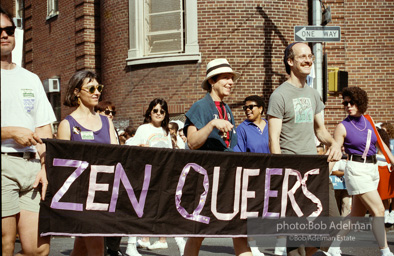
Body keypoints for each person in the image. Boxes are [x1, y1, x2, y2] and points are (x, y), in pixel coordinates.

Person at [267, 42, 342, 256]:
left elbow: (321, 131)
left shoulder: (313, 94)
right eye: (303, 56)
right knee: (297, 236)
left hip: (316, 169)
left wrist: (334, 143)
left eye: (310, 56)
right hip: (292, 170)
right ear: (290, 62)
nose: (309, 60)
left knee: (333, 222)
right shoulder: (279, 95)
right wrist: (282, 173)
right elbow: (273, 140)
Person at [183, 58, 252, 256]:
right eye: (225, 78)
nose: (231, 82)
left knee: (239, 231)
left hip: (227, 177)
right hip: (206, 179)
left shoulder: (227, 109)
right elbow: (192, 142)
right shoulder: (200, 107)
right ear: (212, 81)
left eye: (232, 78)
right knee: (198, 233)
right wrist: (212, 125)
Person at [1, 6, 56, 256]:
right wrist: (10, 132)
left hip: (33, 168)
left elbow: (44, 128)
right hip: (3, 165)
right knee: (5, 244)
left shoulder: (31, 78)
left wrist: (45, 166)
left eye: (9, 30)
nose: (4, 35)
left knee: (38, 249)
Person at [57, 70, 118, 256]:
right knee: (97, 248)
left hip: (104, 192)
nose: (97, 92)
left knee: (82, 249)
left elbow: (117, 156)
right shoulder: (66, 125)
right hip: (81, 194)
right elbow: (62, 165)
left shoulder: (107, 122)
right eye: (91, 88)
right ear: (76, 92)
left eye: (99, 87)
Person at [333, 86, 394, 256]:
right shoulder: (342, 126)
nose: (348, 106)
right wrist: (334, 154)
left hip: (372, 169)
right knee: (379, 210)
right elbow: (336, 147)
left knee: (356, 215)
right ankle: (385, 250)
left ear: (360, 102)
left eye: (351, 102)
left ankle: (333, 247)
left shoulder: (369, 120)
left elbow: (381, 145)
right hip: (356, 170)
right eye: (345, 103)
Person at [125, 98, 186, 256]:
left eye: (162, 111)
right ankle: (131, 245)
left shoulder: (166, 131)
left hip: (164, 176)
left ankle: (181, 244)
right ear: (150, 112)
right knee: (140, 210)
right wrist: (139, 147)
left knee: (168, 210)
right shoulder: (143, 129)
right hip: (145, 176)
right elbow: (130, 146)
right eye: (155, 110)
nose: (158, 113)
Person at [233, 95, 268, 256]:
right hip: (252, 176)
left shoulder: (271, 126)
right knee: (252, 213)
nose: (247, 110)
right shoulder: (242, 128)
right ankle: (252, 246)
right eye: (245, 108)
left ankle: (281, 246)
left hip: (272, 175)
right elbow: (238, 154)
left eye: (251, 107)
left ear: (261, 108)